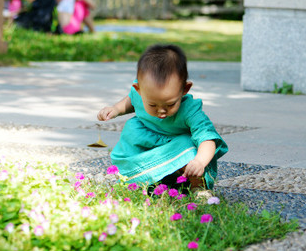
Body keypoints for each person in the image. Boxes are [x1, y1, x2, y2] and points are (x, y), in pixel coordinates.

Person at [96, 44, 228, 191]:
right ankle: (144, 178)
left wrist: (199, 161)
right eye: (152, 105)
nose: (162, 111)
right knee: (131, 132)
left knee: (189, 147)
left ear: (185, 89)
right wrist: (116, 109)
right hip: (145, 146)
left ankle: (198, 188)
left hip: (175, 149)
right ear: (139, 90)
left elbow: (207, 138)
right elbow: (131, 100)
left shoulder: (190, 110)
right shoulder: (139, 94)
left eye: (170, 104)